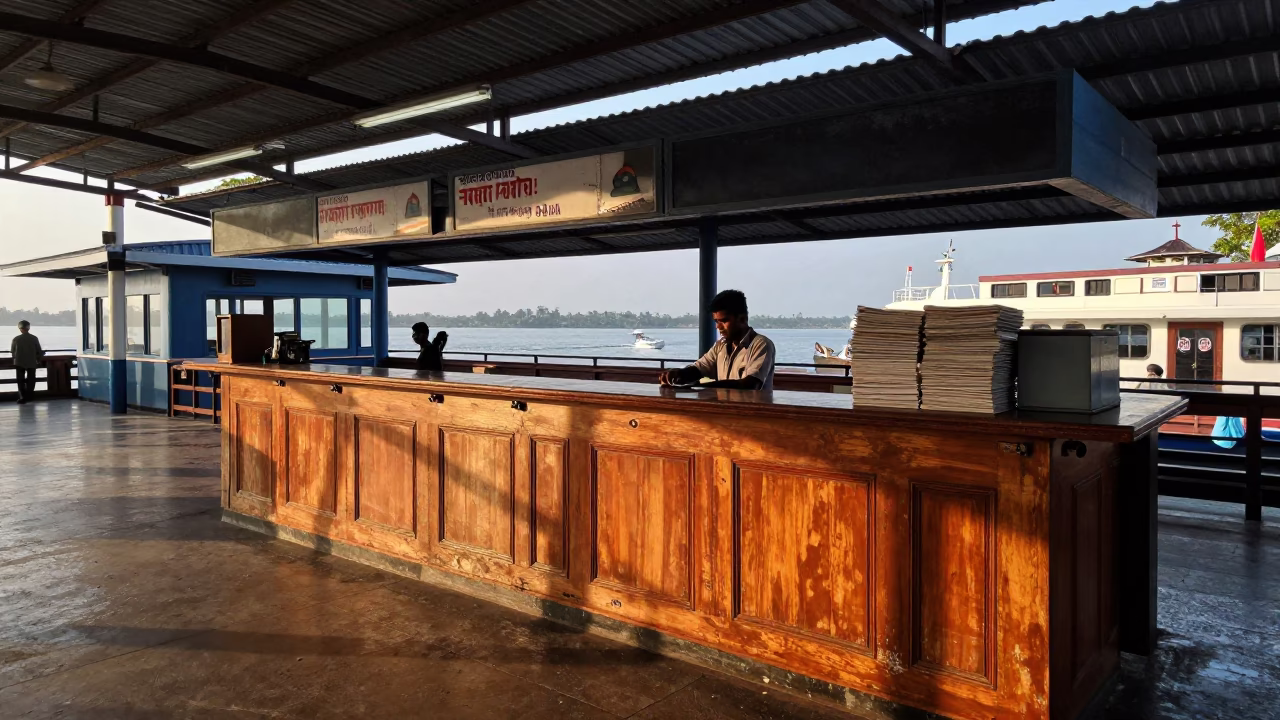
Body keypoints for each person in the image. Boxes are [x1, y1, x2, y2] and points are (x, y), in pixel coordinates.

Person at [660, 289, 776, 391]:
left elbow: (750, 385)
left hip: (751, 410)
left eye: (724, 321)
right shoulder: (720, 346)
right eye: (716, 321)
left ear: (742, 319)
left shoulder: (761, 345)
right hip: (724, 408)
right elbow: (699, 369)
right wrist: (678, 374)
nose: (718, 327)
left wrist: (700, 386)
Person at [10, 320, 44, 404]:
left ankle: (22, 397)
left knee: (20, 380)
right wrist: (39, 358)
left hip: (19, 362)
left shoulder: (16, 339)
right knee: (31, 380)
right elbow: (39, 351)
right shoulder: (34, 338)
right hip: (32, 362)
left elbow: (13, 352)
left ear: (20, 329)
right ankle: (29, 396)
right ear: (28, 328)